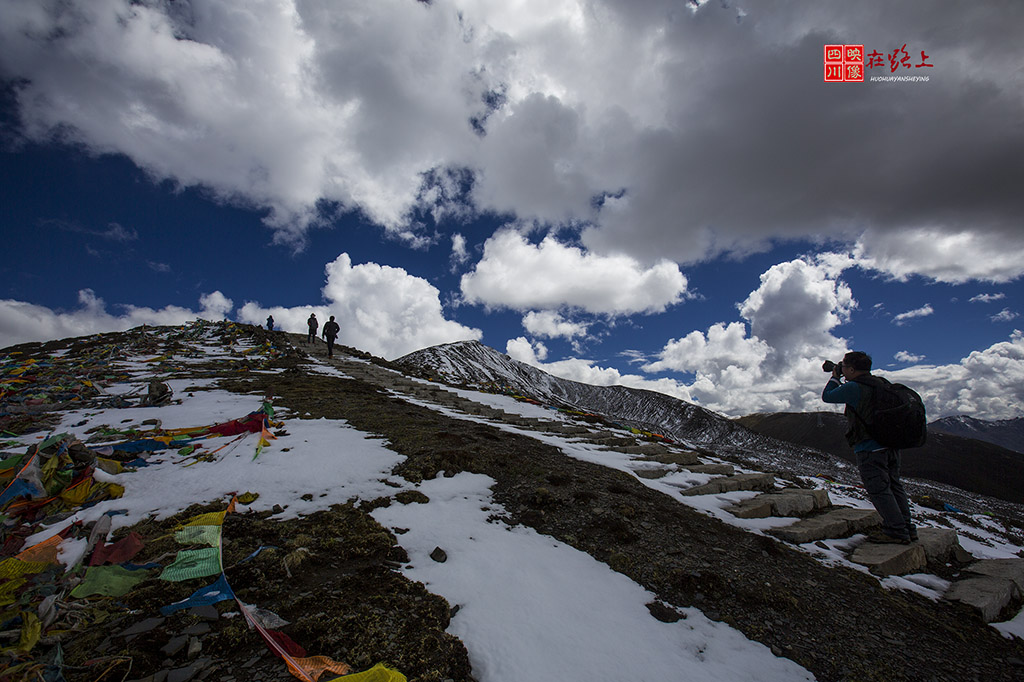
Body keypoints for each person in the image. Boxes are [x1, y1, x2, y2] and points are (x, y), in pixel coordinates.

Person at [822, 351, 917, 544]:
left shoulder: (856, 387)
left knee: (879, 490)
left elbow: (828, 396)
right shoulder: (880, 383)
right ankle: (907, 527)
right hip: (890, 445)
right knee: (894, 486)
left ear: (851, 369)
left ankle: (896, 531)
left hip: (869, 447)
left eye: (845, 367)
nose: (843, 370)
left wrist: (834, 377)